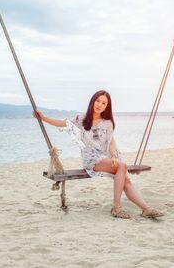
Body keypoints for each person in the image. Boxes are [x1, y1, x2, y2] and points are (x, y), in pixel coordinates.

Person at [33, 89, 163, 219]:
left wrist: (113, 156)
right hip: (91, 159)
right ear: (93, 101)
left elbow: (111, 142)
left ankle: (146, 209)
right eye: (98, 101)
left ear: (107, 107)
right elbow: (63, 123)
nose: (99, 105)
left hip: (106, 158)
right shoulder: (82, 118)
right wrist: (43, 117)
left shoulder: (108, 123)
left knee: (126, 180)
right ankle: (116, 209)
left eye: (103, 103)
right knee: (122, 167)